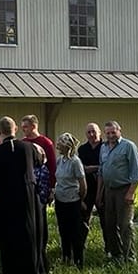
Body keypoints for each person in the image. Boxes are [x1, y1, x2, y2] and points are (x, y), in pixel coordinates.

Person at [0, 116, 46, 274]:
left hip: (8, 197)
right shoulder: (28, 147)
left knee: (9, 236)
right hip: (28, 197)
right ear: (15, 129)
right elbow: (41, 162)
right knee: (29, 234)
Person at [99, 120, 138, 263]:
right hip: (109, 190)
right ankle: (116, 255)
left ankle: (130, 257)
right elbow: (101, 170)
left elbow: (137, 171)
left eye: (113, 132)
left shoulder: (128, 146)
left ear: (119, 131)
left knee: (125, 225)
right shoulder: (103, 148)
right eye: (108, 133)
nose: (111, 135)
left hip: (123, 189)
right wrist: (100, 193)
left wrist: (131, 192)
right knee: (110, 224)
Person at [53, 133, 89, 266]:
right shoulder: (59, 160)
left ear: (67, 145)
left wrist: (81, 199)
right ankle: (66, 256)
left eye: (60, 142)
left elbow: (82, 184)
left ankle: (78, 260)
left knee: (75, 231)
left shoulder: (75, 161)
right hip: (60, 200)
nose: (57, 145)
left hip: (73, 201)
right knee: (63, 229)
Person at [21, 114, 57, 201]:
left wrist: (52, 188)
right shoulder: (22, 143)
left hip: (42, 185)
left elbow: (52, 166)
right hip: (27, 185)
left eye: (25, 126)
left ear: (33, 126)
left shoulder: (46, 143)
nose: (23, 129)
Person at [77, 122, 103, 224]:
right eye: (89, 132)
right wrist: (99, 167)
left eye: (94, 131)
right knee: (84, 218)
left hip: (102, 188)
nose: (91, 134)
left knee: (106, 219)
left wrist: (91, 168)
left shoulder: (106, 148)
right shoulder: (82, 149)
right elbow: (82, 169)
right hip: (87, 188)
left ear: (100, 133)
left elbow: (107, 167)